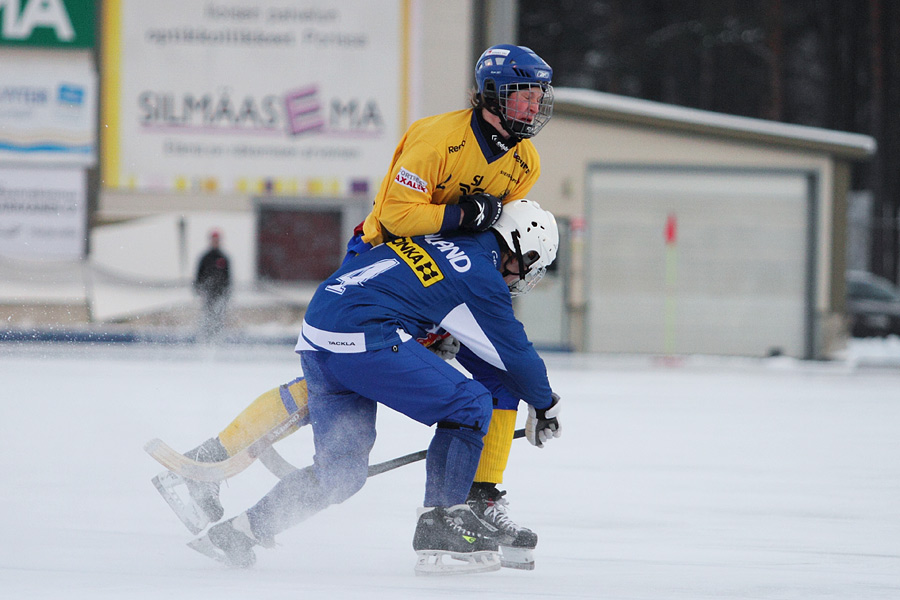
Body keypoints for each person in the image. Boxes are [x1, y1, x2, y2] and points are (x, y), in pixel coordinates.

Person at [154, 43, 555, 568]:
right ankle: (211, 458)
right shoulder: (439, 138)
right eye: (521, 97)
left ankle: (477, 500)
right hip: (386, 261)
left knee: (484, 380)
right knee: (435, 380)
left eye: (538, 98)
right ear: (491, 95)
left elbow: (488, 231)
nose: (531, 108)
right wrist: (460, 222)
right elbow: (396, 214)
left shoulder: (525, 163)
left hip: (420, 288)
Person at [188, 199, 562, 574]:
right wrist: (546, 405)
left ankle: (240, 532)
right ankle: (440, 523)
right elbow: (515, 355)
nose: (525, 277)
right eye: (530, 266)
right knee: (471, 404)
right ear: (518, 245)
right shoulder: (481, 273)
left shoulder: (442, 237)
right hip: (364, 338)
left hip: (321, 333)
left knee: (341, 475)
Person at [194, 229, 231, 339]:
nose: (215, 242)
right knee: (208, 314)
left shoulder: (223, 258)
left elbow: (228, 277)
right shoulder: (205, 258)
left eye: (217, 240)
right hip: (208, 293)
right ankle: (207, 335)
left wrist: (227, 291)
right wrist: (197, 288)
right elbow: (199, 275)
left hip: (220, 292)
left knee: (219, 315)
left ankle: (217, 335)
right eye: (214, 240)